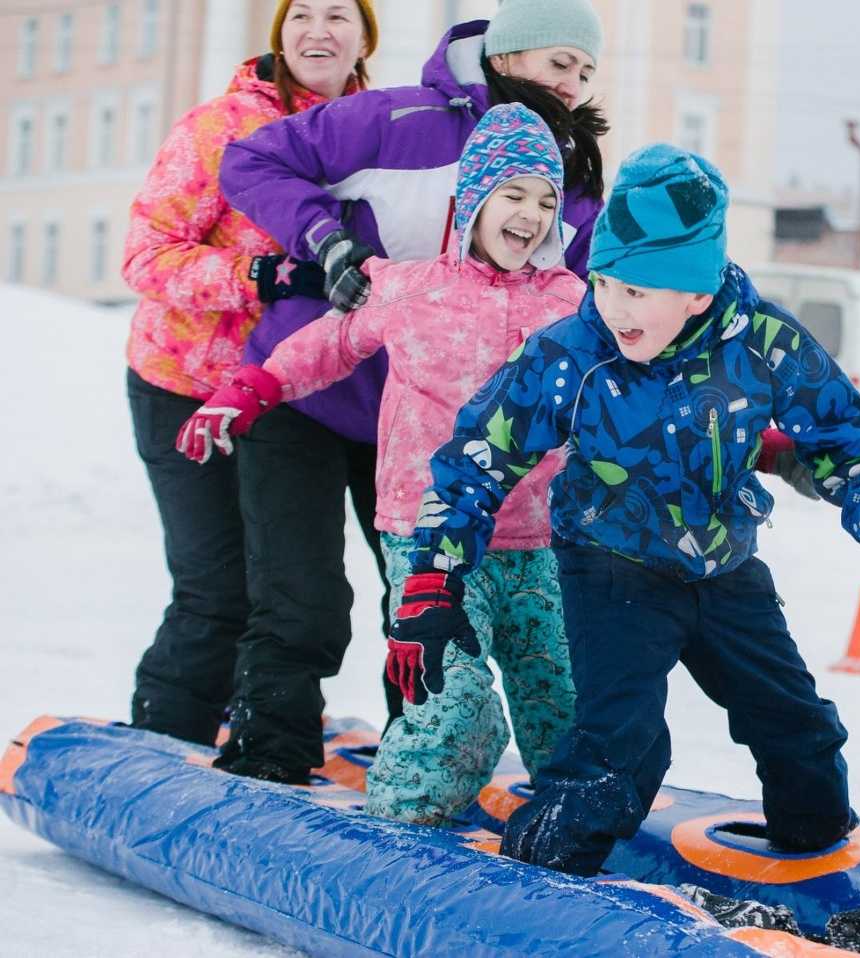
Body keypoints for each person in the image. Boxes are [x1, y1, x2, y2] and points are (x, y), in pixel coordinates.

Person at [392, 144, 860, 878]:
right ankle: (536, 877)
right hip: (610, 567)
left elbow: (848, 443)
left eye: (638, 292)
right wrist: (433, 580)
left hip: (725, 569)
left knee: (800, 737)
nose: (614, 308)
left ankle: (818, 877)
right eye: (607, 283)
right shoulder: (573, 353)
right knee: (619, 753)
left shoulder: (765, 344)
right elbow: (476, 459)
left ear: (697, 292)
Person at [213, 1, 607, 782]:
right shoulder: (401, 119)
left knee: (432, 612)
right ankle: (269, 764)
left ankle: (424, 771)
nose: (574, 83)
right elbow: (250, 161)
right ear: (505, 56)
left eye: (587, 71)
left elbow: (591, 303)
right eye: (559, 63)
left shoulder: (568, 170)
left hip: (439, 434)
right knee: (305, 604)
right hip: (315, 394)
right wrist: (326, 242)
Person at [120, 0, 377, 748]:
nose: (318, 31)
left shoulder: (381, 137)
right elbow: (146, 253)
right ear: (279, 32)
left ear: (366, 35)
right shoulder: (220, 126)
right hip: (187, 382)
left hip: (294, 401)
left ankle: (251, 723)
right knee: (216, 588)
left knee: (286, 589)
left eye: (339, 15)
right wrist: (260, 275)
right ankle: (165, 741)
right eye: (301, 15)